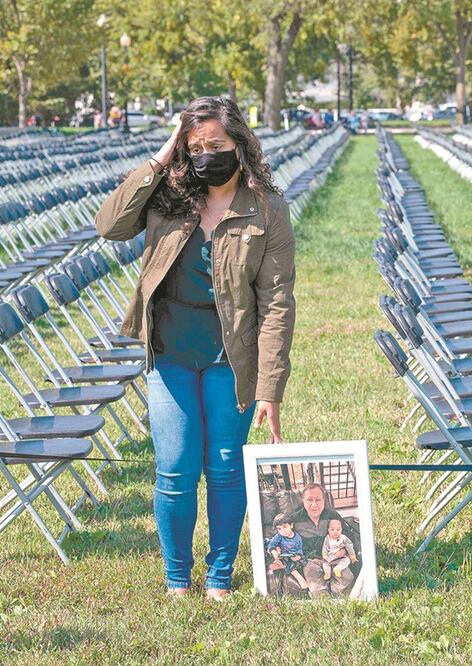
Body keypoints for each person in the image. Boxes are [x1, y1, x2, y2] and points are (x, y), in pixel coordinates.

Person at [94, 96, 296, 600]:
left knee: (226, 466)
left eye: (218, 145)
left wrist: (270, 387)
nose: (208, 155)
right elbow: (109, 225)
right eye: (197, 146)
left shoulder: (266, 208)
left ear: (240, 145)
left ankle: (220, 576)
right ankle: (177, 578)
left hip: (232, 355)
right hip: (170, 352)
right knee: (176, 467)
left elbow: (276, 302)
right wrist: (165, 154)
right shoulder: (168, 196)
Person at [291, 483, 358, 597]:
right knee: (318, 591)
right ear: (303, 501)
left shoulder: (332, 515)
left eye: (318, 500)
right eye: (309, 500)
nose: (314, 504)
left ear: (324, 500)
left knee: (346, 582)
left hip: (335, 558)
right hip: (311, 561)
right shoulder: (294, 519)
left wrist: (344, 551)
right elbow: (283, 538)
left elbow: (349, 536)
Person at [267, 513, 309, 590]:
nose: (283, 531)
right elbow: (271, 545)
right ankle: (300, 579)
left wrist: (298, 556)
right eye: (279, 529)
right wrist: (274, 552)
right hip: (282, 556)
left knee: (302, 561)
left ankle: (280, 566)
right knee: (288, 563)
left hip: (292, 556)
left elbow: (300, 549)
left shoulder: (297, 538)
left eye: (285, 527)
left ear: (291, 525)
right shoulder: (279, 536)